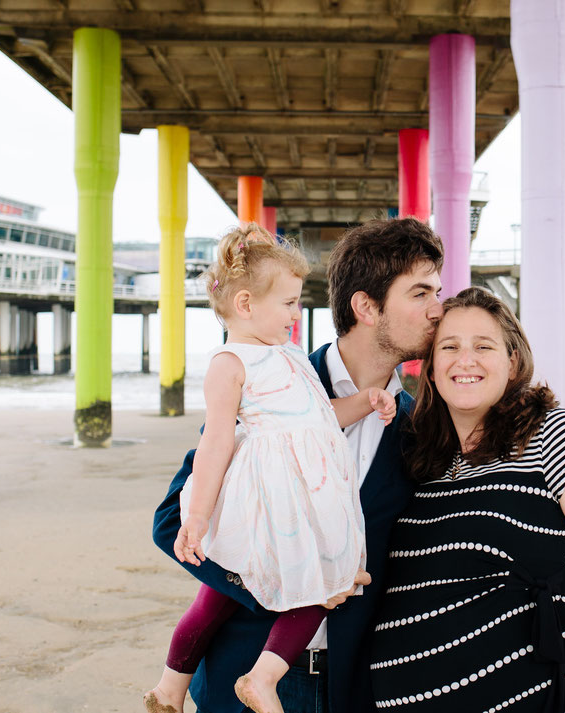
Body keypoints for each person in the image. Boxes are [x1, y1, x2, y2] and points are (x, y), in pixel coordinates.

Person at [151, 218, 445, 713]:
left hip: (352, 688)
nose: (439, 309)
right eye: (421, 293)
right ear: (366, 307)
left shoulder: (424, 429)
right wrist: (288, 574)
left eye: (438, 291)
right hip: (239, 676)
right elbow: (170, 524)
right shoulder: (267, 387)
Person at [369, 287, 565, 713]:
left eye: (484, 346)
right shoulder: (416, 461)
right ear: (432, 366)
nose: (466, 360)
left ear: (512, 361)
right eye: (450, 347)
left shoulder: (557, 438)